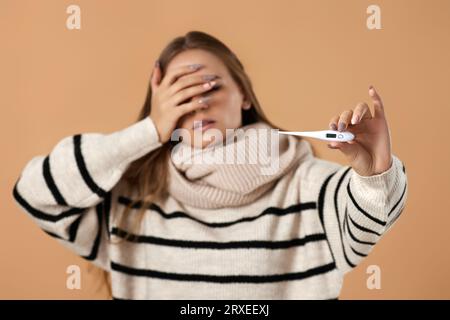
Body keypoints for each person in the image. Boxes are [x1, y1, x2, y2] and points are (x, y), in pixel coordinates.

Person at [12, 31, 408, 299]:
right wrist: (148, 131)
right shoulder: (131, 196)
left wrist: (373, 172)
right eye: (180, 92)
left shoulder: (305, 184)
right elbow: (34, 194)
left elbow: (365, 220)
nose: (198, 103)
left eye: (212, 87)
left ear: (245, 95)